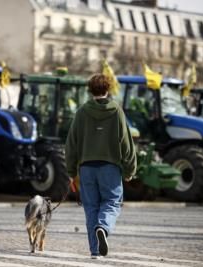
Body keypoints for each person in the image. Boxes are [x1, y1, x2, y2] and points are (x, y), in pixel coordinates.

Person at [65, 74, 137, 259]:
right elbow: (126, 144)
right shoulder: (117, 111)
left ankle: (95, 251)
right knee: (112, 202)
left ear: (90, 90)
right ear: (109, 89)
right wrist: (129, 170)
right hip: (110, 167)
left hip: (86, 168)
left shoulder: (81, 112)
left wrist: (71, 172)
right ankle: (103, 227)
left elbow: (71, 143)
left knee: (91, 208)